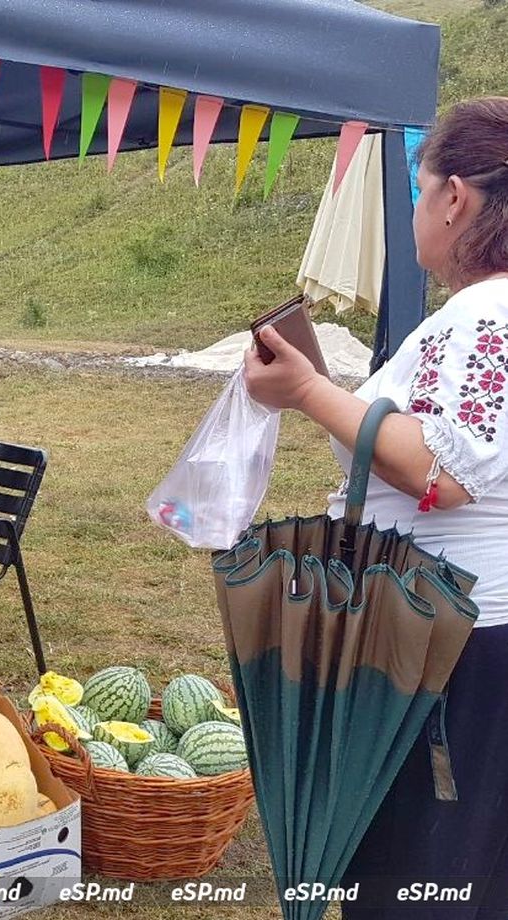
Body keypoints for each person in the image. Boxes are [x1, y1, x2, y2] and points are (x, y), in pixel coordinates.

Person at [244, 96, 508, 916]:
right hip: (464, 632)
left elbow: (440, 470)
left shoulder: (482, 316)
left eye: (419, 190)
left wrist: (307, 390)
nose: (418, 210)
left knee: (418, 874)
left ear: (454, 197)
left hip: (448, 644)